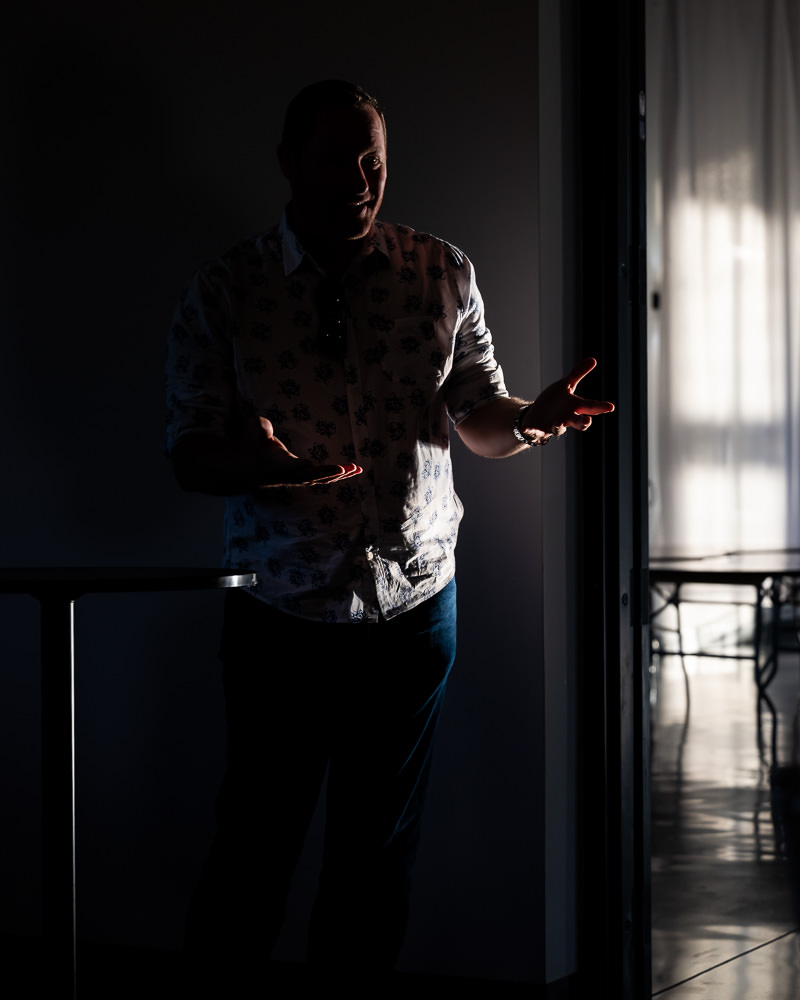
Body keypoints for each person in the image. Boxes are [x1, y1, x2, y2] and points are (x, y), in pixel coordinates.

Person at [165, 79, 613, 994]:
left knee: (376, 861)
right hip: (281, 616)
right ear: (290, 162)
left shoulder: (440, 270)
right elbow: (190, 453)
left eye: (372, 160)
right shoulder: (228, 288)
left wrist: (533, 420)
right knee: (254, 849)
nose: (359, 180)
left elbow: (478, 417)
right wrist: (256, 465)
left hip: (413, 613)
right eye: (336, 159)